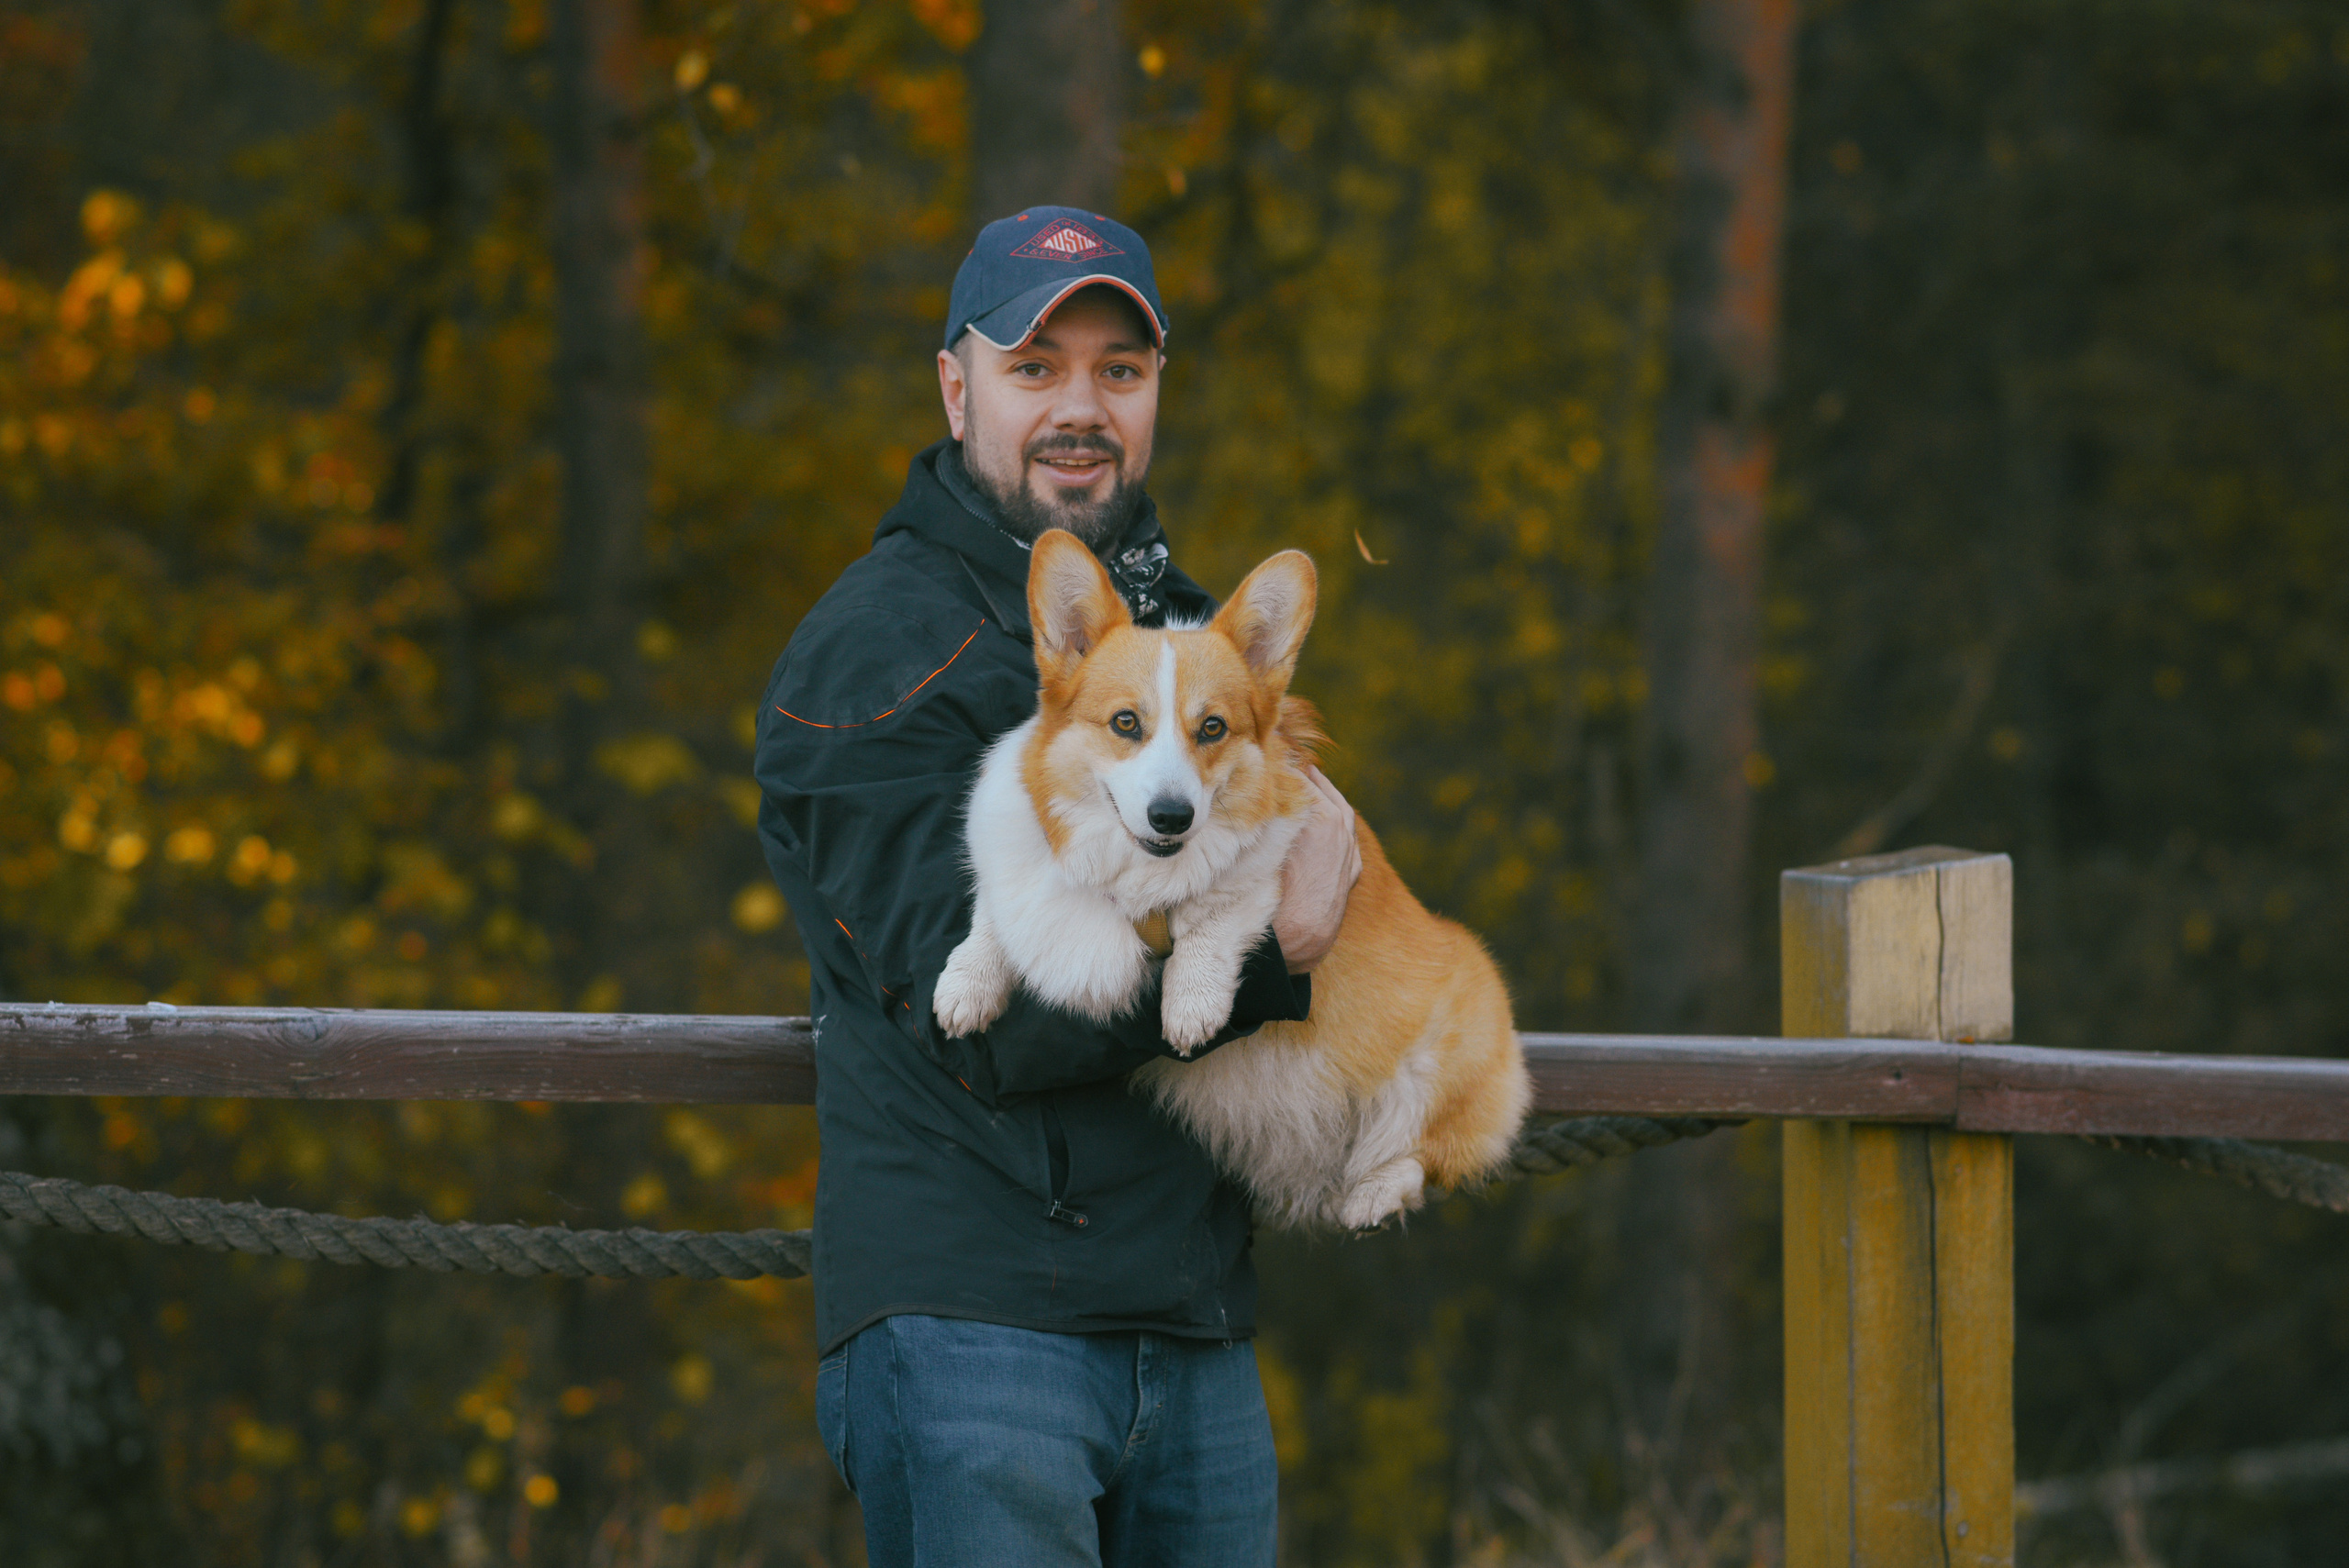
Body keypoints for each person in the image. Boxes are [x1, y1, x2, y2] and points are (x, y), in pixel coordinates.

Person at [751, 206, 1362, 1566]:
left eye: (1118, 371)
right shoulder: (872, 652)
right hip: (978, 1337)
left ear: (1155, 396)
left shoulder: (1188, 642)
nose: (1080, 408)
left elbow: (1321, 869)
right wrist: (1282, 946)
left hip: (1192, 1338)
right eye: (1036, 367)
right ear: (956, 385)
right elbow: (988, 1021)